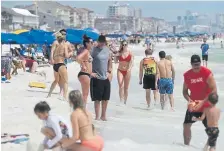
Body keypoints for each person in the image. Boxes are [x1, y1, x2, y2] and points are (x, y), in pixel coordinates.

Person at [182, 54, 217, 146]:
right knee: (186, 125)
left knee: (211, 128)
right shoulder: (187, 75)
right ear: (191, 64)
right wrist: (189, 100)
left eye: (198, 64)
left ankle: (210, 147)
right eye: (194, 65)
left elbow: (214, 89)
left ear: (200, 63)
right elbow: (184, 91)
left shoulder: (207, 73)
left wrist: (203, 101)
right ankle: (186, 146)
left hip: (207, 105)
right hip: (194, 104)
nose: (196, 67)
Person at [90, 35, 112, 121]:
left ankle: (103, 116)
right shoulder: (93, 50)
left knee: (105, 99)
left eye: (103, 42)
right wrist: (90, 72)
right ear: (98, 41)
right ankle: (97, 117)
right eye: (101, 42)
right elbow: (85, 60)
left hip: (105, 78)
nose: (102, 43)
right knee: (97, 99)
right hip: (96, 78)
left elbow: (110, 60)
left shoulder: (107, 49)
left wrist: (109, 71)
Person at [47, 32, 73, 101]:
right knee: (66, 82)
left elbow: (52, 52)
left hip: (55, 65)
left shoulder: (57, 45)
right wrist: (70, 54)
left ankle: (49, 94)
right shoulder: (64, 45)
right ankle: (64, 97)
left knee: (56, 80)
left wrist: (51, 59)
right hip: (61, 64)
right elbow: (67, 56)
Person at [76, 35, 93, 108]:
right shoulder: (86, 51)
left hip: (86, 74)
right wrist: (83, 65)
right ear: (87, 43)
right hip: (84, 74)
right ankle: (83, 110)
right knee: (85, 94)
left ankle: (83, 109)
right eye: (91, 42)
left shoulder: (87, 51)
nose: (92, 44)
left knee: (85, 94)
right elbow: (78, 58)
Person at [116, 40, 134, 105]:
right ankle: (121, 100)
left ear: (127, 45)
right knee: (121, 86)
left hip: (127, 71)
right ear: (121, 45)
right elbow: (115, 62)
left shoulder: (130, 53)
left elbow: (132, 63)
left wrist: (129, 68)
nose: (124, 46)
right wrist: (116, 56)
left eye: (125, 44)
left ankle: (125, 102)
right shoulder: (119, 53)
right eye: (123, 45)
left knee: (126, 88)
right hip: (120, 70)